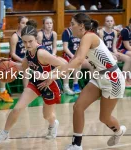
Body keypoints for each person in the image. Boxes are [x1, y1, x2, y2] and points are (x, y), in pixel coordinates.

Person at [38, 13, 126, 150]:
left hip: (112, 79)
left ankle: (119, 131)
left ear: (81, 26)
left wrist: (56, 76)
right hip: (98, 77)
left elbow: (78, 60)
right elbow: (73, 61)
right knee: (78, 107)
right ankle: (76, 144)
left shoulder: (89, 36)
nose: (70, 27)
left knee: (104, 118)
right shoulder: (84, 38)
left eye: (72, 24)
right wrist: (52, 74)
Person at [0, 20, 67, 144]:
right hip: (35, 83)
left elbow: (64, 64)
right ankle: (4, 133)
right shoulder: (28, 52)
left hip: (50, 85)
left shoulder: (41, 53)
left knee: (47, 116)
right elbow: (23, 67)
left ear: (36, 39)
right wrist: (10, 63)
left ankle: (53, 124)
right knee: (17, 108)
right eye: (25, 42)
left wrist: (48, 75)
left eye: (30, 41)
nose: (27, 44)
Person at [99, 15, 131, 87]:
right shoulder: (101, 32)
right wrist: (112, 54)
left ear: (113, 22)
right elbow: (102, 48)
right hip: (103, 53)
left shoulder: (115, 32)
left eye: (111, 21)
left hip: (112, 52)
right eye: (107, 21)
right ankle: (112, 82)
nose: (109, 23)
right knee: (114, 59)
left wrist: (116, 53)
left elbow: (114, 47)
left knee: (128, 59)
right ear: (104, 23)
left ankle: (123, 79)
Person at [62, 26, 93, 94]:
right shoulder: (67, 32)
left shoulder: (82, 32)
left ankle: (92, 85)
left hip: (79, 55)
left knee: (92, 64)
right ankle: (68, 86)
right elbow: (65, 47)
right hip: (69, 55)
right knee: (75, 63)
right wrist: (73, 56)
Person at [9, 16, 29, 88]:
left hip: (26, 59)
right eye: (23, 23)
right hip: (16, 60)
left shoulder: (28, 36)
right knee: (26, 68)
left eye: (26, 23)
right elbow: (12, 54)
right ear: (19, 24)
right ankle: (26, 90)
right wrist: (22, 60)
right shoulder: (15, 36)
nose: (25, 25)